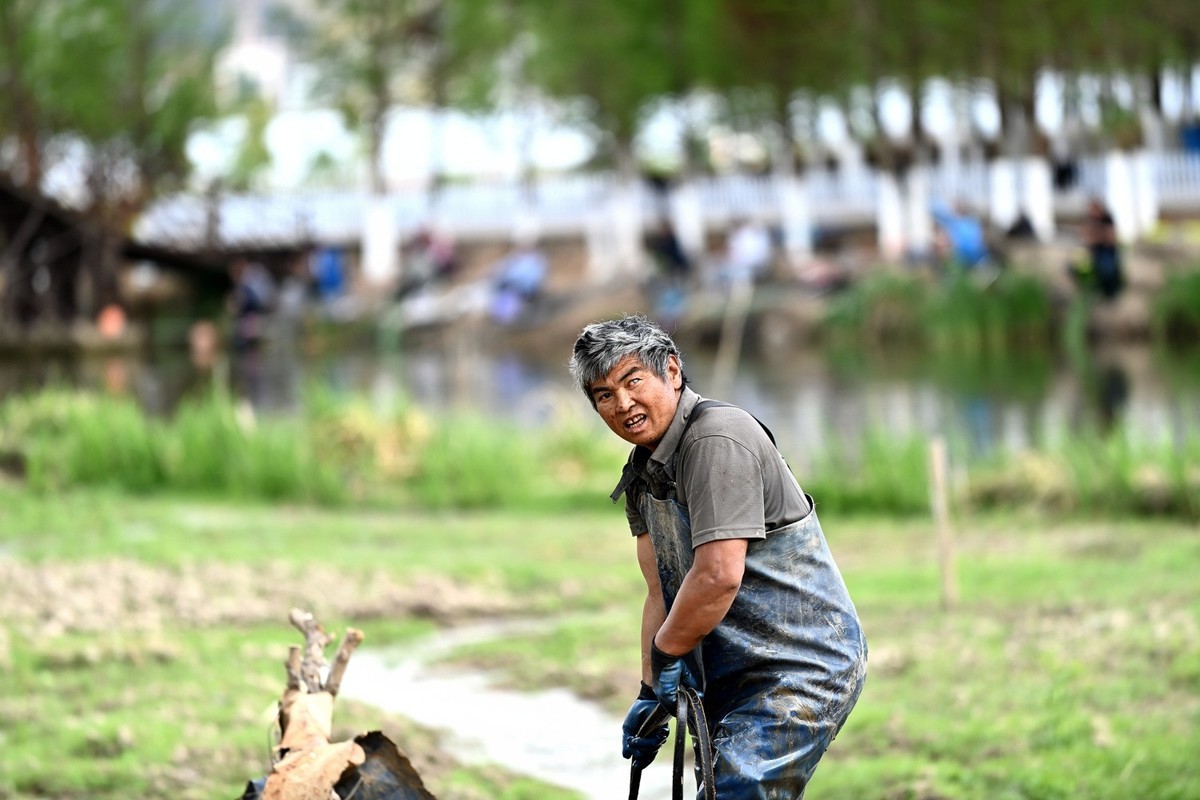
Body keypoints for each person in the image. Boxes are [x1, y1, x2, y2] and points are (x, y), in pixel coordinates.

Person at [568, 315, 867, 798]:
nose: (622, 404)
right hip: (737, 669)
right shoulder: (644, 472)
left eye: (633, 381)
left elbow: (717, 576)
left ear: (672, 371)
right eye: (604, 395)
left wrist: (668, 653)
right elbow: (659, 591)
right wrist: (649, 692)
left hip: (799, 667)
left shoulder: (716, 440)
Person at [1081, 198, 1123, 300]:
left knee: (1107, 270)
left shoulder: (1107, 219)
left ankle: (1110, 295)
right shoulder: (1090, 219)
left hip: (1106, 252)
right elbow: (1086, 237)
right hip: (1094, 251)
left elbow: (1110, 239)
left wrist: (1096, 236)